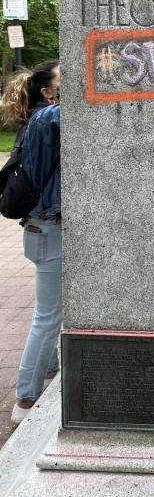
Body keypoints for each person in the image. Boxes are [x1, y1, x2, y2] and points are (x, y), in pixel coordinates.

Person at [1, 61, 61, 424]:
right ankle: (25, 399)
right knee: (48, 315)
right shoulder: (47, 119)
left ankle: (52, 368)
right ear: (48, 91)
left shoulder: (38, 119)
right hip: (47, 230)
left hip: (42, 229)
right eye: (63, 79)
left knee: (49, 310)